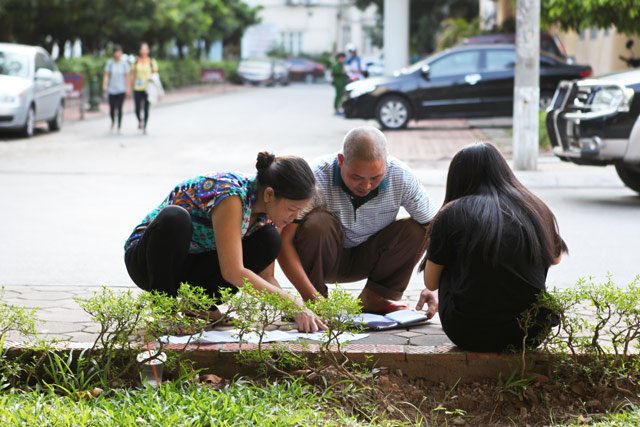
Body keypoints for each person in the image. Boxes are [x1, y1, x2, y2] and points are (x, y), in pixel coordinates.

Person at [124, 152, 326, 333]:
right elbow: (233, 271)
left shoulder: (265, 214)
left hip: (187, 263)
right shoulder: (231, 195)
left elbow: (266, 277)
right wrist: (292, 302)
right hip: (150, 263)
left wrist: (300, 310)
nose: (296, 216)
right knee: (175, 217)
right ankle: (164, 311)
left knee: (270, 240)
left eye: (300, 210)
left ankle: (197, 305)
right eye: (292, 209)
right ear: (269, 194)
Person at [416, 142, 568, 352]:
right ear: (503, 171)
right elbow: (555, 258)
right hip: (531, 332)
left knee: (449, 262)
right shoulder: (535, 207)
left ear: (458, 179)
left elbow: (431, 282)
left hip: (468, 332)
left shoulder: (452, 213)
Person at [279, 126, 439, 316]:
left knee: (417, 230)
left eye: (375, 177)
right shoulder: (316, 176)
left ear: (386, 164)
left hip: (371, 258)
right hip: (324, 258)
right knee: (318, 223)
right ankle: (316, 302)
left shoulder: (402, 177)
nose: (366, 186)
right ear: (341, 161)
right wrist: (310, 297)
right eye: (356, 177)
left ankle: (374, 298)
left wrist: (435, 286)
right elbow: (283, 240)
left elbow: (437, 233)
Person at [131, 42, 158, 134]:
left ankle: (145, 126)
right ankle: (140, 120)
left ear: (148, 50)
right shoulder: (135, 62)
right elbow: (132, 75)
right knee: (137, 108)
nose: (144, 51)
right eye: (142, 49)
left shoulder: (151, 62)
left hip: (148, 88)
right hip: (137, 87)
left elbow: (155, 75)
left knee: (146, 108)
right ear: (140, 50)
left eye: (146, 49)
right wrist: (129, 87)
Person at [102, 45, 130, 132]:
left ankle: (119, 125)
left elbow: (127, 77)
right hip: (112, 89)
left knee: (120, 108)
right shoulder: (110, 63)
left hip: (121, 89)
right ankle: (113, 121)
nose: (117, 54)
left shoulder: (124, 64)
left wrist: (128, 87)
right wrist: (105, 84)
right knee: (112, 108)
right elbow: (106, 75)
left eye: (119, 52)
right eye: (116, 52)